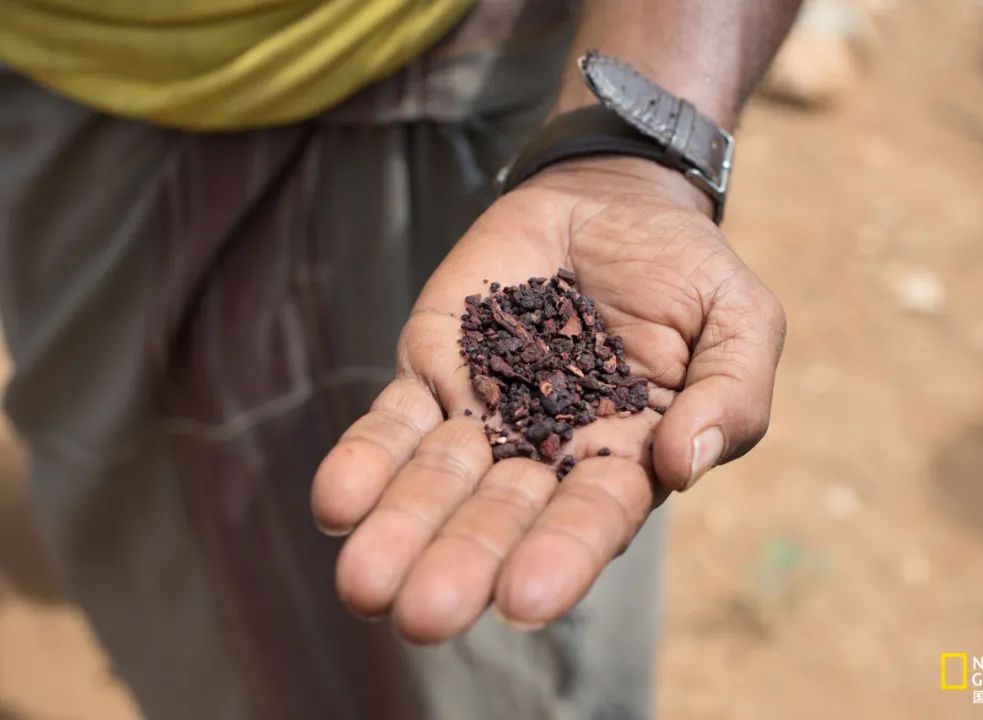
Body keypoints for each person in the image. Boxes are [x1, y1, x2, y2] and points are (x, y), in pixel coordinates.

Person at [0, 1, 798, 718]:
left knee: (494, 653)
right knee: (205, 593)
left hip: (475, 52)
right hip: (74, 81)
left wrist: (637, 149)